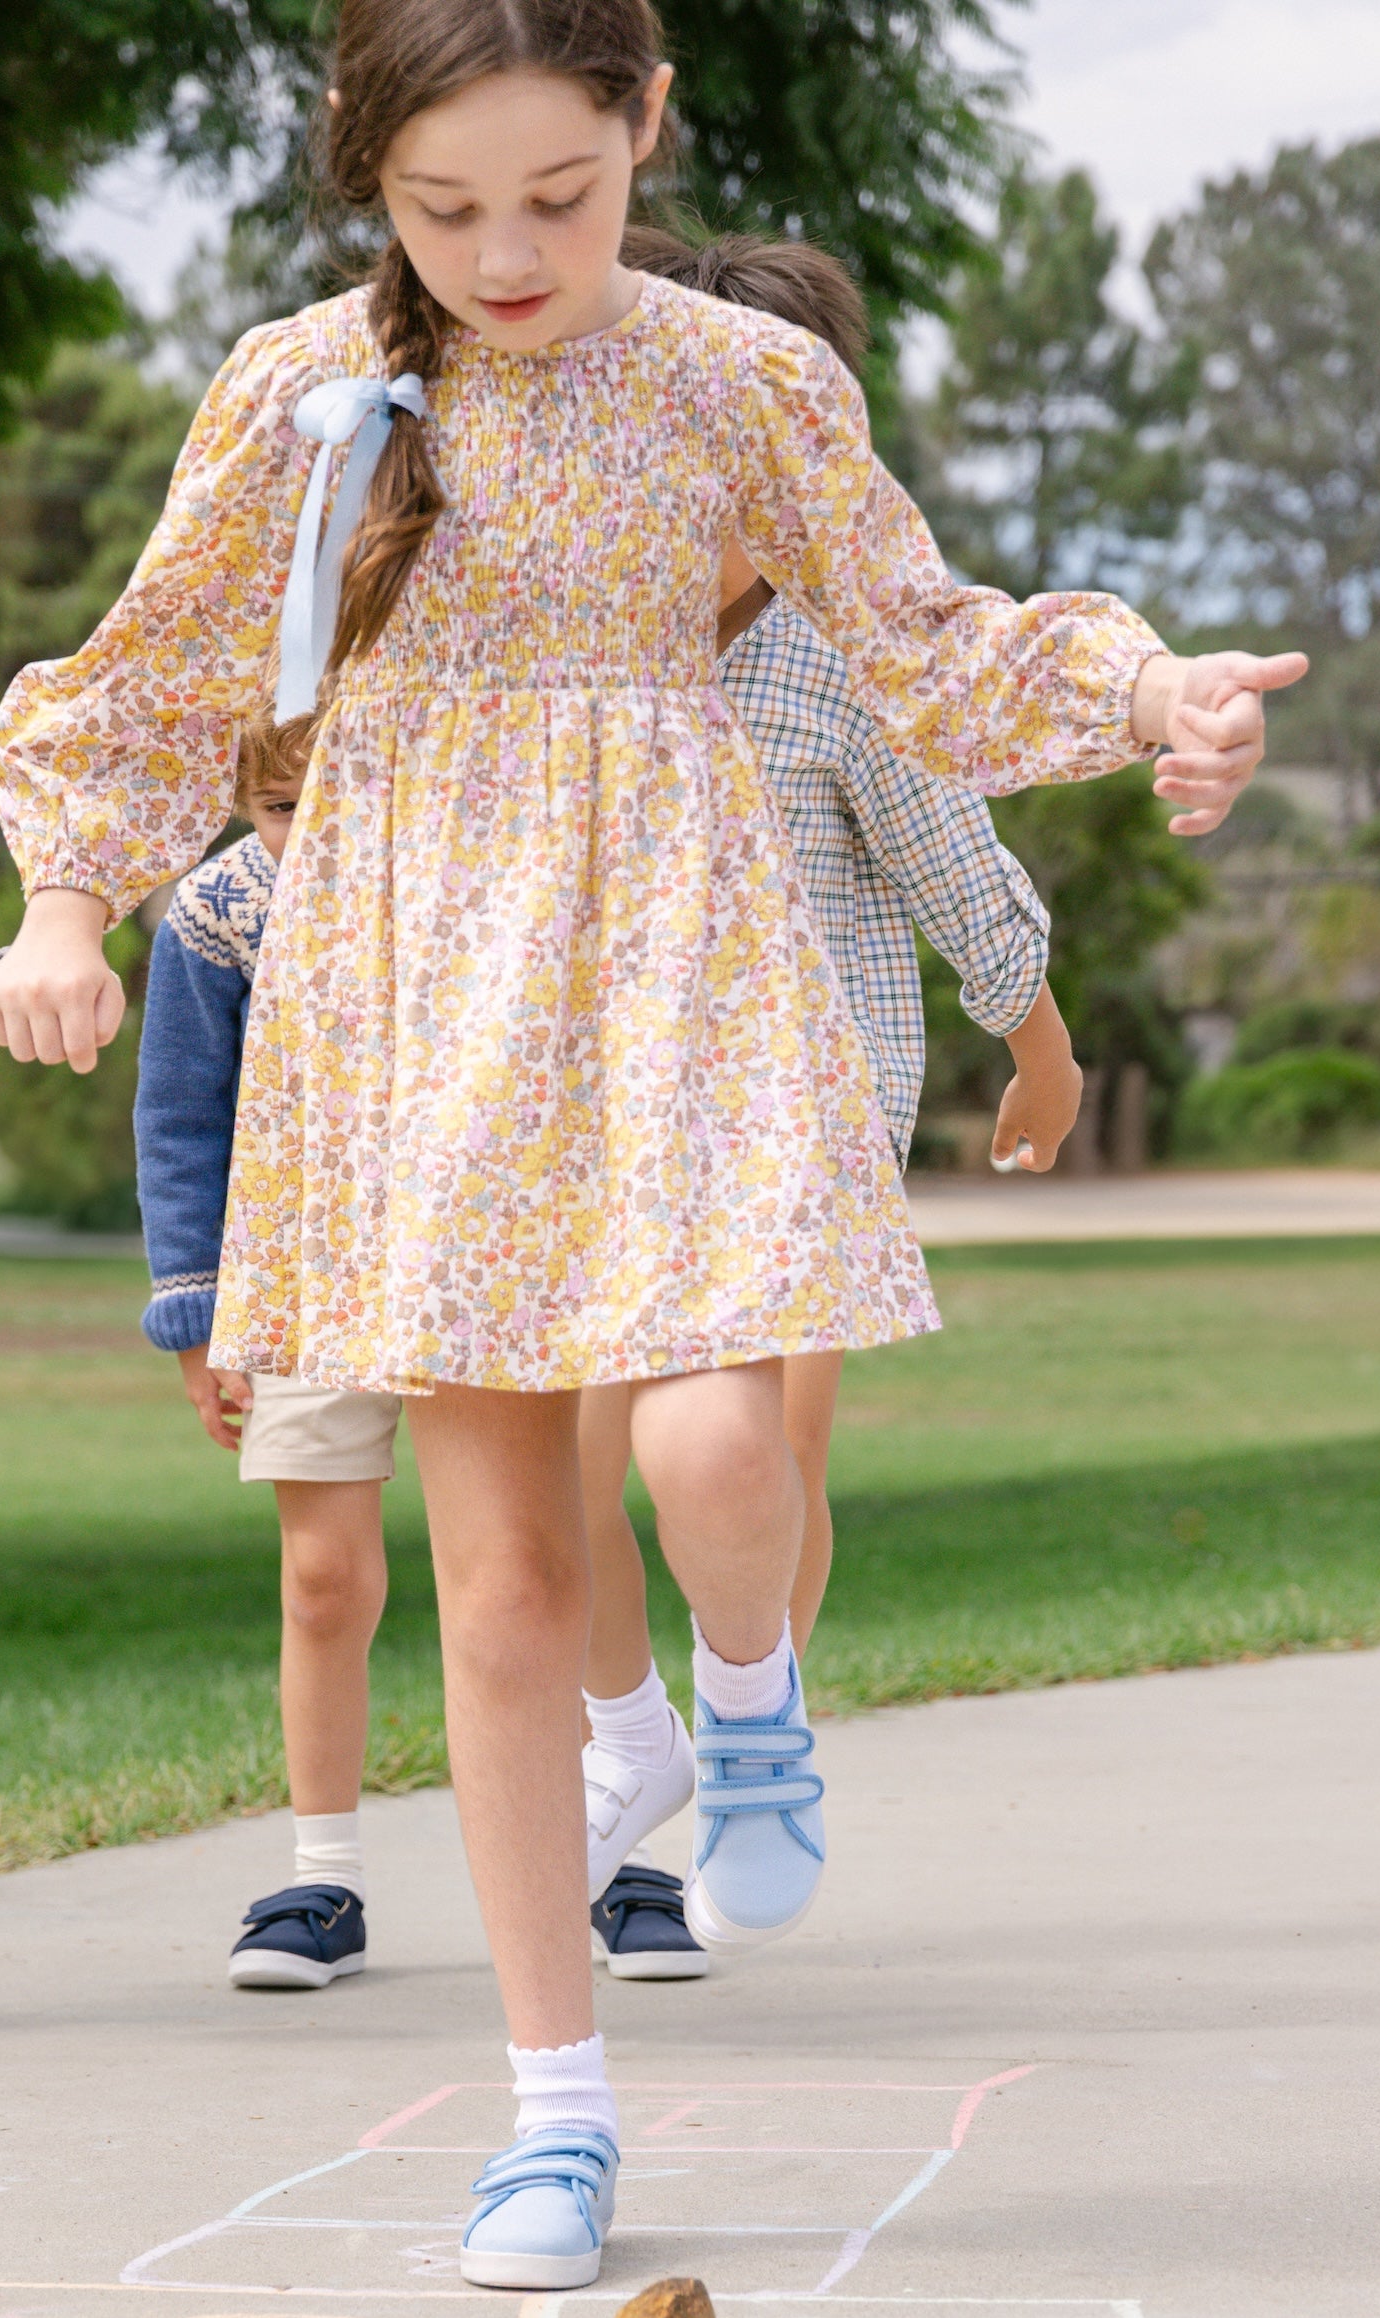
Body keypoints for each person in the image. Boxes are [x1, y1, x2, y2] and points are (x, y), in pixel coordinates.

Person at [0, 0, 1305, 2291]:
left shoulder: (740, 378)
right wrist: (60, 908)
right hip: (416, 980)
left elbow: (926, 644)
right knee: (494, 1580)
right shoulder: (295, 395)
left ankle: (751, 1698)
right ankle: (553, 2112)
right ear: (367, 180)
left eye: (558, 198)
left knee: (706, 1413)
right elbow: (156, 680)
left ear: (642, 131)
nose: (505, 252)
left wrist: (1149, 687)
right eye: (444, 208)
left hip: (685, 950)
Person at [575, 225, 1088, 1922]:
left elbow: (952, 856)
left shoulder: (835, 651)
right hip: (617, 1115)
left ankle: (747, 1753)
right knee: (593, 1460)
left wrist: (1036, 1041)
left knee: (761, 1457)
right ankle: (640, 1729)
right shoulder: (584, 642)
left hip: (808, 1109)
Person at [135, 709, 392, 1992]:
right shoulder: (216, 914)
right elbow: (181, 1119)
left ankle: (612, 1855)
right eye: (285, 807)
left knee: (533, 1566)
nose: (312, 832)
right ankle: (321, 1874)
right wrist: (197, 1319)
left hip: (488, 1273)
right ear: (244, 800)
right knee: (321, 1579)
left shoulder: (463, 869)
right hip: (299, 1283)